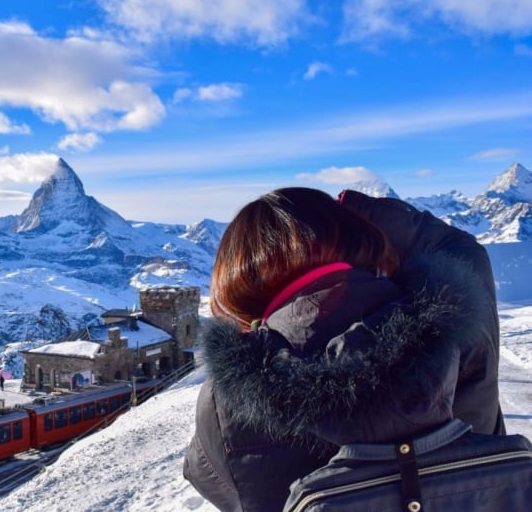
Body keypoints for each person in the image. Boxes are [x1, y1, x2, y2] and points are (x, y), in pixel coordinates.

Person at [183, 187, 505, 512]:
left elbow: (202, 472)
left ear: (237, 291)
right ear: (363, 243)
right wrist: (359, 210)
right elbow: (463, 251)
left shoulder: (225, 403)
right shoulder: (454, 325)